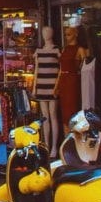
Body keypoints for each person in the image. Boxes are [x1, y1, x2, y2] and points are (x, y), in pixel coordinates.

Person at [53, 26, 88, 134]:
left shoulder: (80, 49)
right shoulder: (65, 49)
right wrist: (56, 86)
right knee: (64, 113)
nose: (67, 37)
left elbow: (86, 68)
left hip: (73, 81)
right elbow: (61, 69)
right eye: (66, 35)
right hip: (64, 80)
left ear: (76, 34)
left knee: (73, 110)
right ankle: (66, 140)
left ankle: (75, 138)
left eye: (69, 34)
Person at [33, 26, 61, 156]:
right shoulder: (38, 51)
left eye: (48, 32)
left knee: (53, 115)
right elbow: (36, 69)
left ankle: (54, 147)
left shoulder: (56, 50)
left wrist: (57, 85)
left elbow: (61, 69)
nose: (46, 35)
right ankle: (47, 145)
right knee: (45, 117)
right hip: (41, 85)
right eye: (44, 32)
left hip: (52, 86)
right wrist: (34, 87)